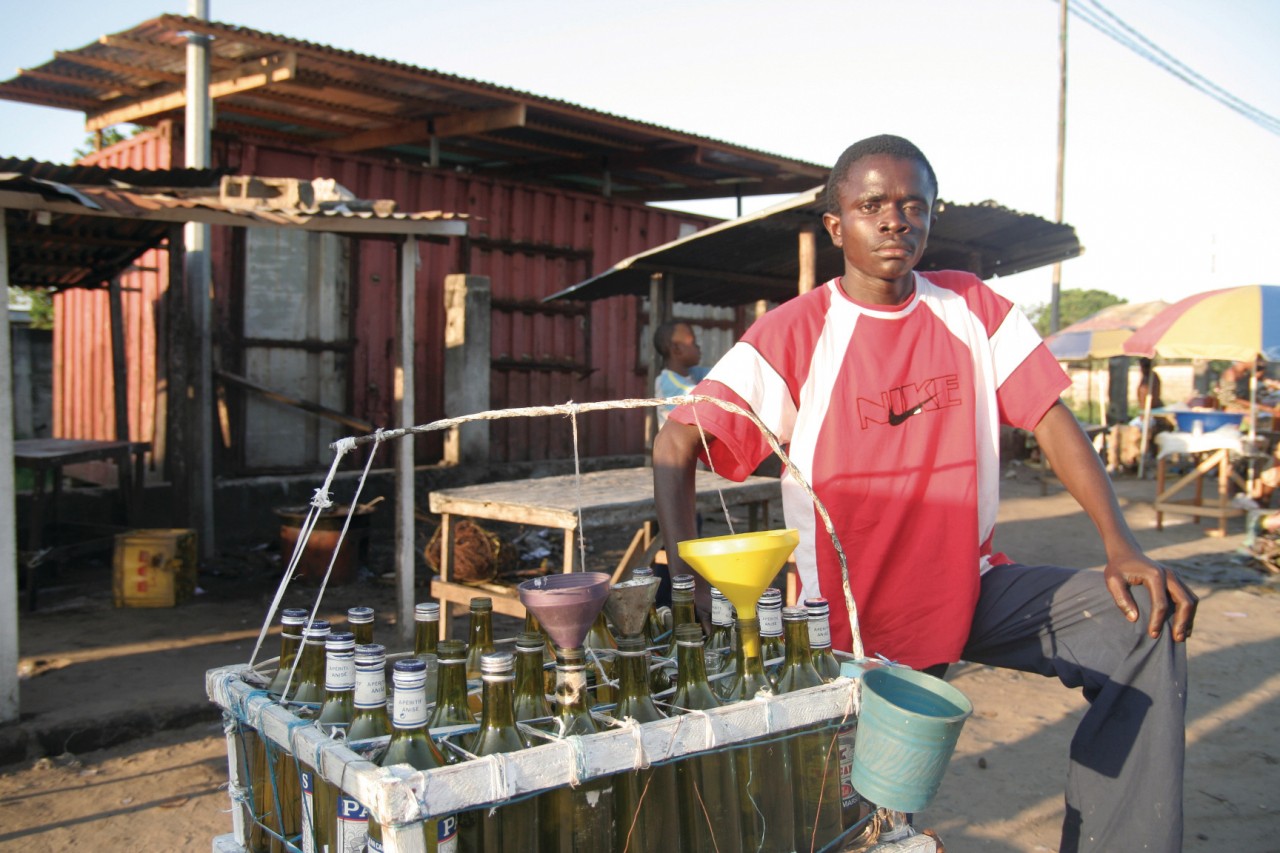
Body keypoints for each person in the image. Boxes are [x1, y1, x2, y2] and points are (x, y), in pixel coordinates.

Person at [653, 134, 1197, 853]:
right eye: (872, 204)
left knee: (1144, 622)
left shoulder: (974, 310)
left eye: (914, 205)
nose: (894, 220)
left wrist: (1120, 544)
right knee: (838, 822)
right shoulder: (796, 332)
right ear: (836, 224)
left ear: (932, 219)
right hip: (840, 623)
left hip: (967, 592)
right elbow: (675, 441)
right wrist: (691, 572)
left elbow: (1052, 418)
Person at [652, 320, 710, 428]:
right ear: (677, 349)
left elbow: (719, 373)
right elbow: (705, 400)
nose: (698, 347)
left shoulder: (692, 372)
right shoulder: (667, 383)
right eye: (693, 342)